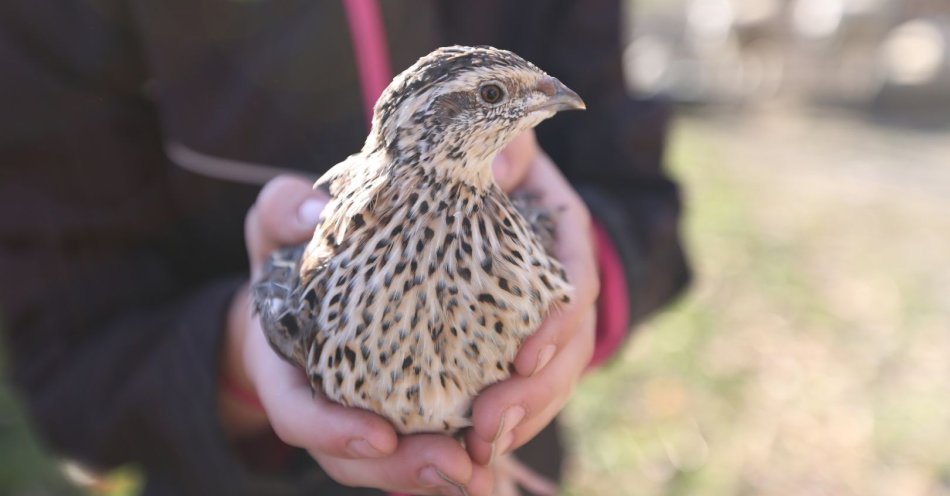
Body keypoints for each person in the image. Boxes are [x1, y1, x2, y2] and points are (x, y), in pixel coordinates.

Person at [0, 1, 689, 495]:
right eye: (491, 95)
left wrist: (588, 273)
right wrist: (242, 353)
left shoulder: (518, 235)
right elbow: (70, 352)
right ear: (434, 127)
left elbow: (638, 193)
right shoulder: (320, 267)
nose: (543, 98)